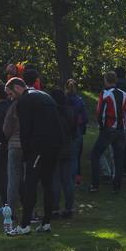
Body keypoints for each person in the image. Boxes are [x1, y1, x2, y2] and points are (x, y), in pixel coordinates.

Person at [6, 77, 69, 234]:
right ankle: (46, 222)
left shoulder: (24, 101)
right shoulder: (44, 95)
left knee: (30, 183)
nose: (10, 97)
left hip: (40, 146)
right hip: (56, 144)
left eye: (11, 93)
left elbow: (25, 130)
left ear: (17, 88)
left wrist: (27, 153)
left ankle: (25, 224)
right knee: (47, 183)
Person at [89, 72, 126, 193]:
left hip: (109, 129)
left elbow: (100, 112)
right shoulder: (125, 95)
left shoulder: (105, 94)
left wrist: (102, 127)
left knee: (95, 155)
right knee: (119, 159)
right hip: (121, 130)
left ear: (105, 80)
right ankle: (116, 187)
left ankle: (95, 185)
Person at [58, 77, 89, 219]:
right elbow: (85, 117)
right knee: (74, 157)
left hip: (64, 135)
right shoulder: (79, 101)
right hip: (76, 133)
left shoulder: (62, 101)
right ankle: (74, 178)